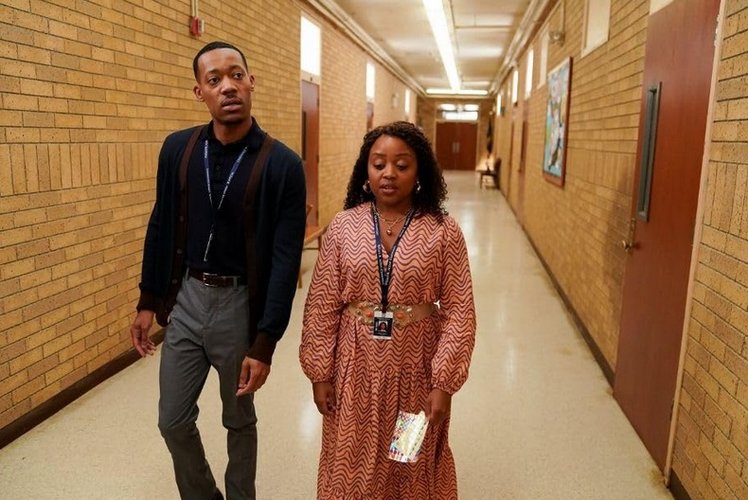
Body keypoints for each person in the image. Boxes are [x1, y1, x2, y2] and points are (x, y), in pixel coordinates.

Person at [130, 41, 306, 500]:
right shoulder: (178, 150)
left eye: (236, 75)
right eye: (214, 80)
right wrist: (149, 300)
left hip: (237, 304)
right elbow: (161, 223)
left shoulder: (283, 165)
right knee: (172, 420)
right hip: (186, 298)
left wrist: (265, 341)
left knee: (238, 419)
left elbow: (286, 259)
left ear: (251, 82)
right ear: (199, 92)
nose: (227, 86)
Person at [299, 121, 476, 499]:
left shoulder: (442, 230)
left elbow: (460, 309)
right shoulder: (345, 227)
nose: (389, 174)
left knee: (407, 461)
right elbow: (322, 304)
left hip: (416, 376)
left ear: (419, 172)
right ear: (366, 170)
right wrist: (320, 373)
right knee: (350, 461)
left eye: (402, 164)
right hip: (353, 372)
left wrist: (444, 383)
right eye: (379, 164)